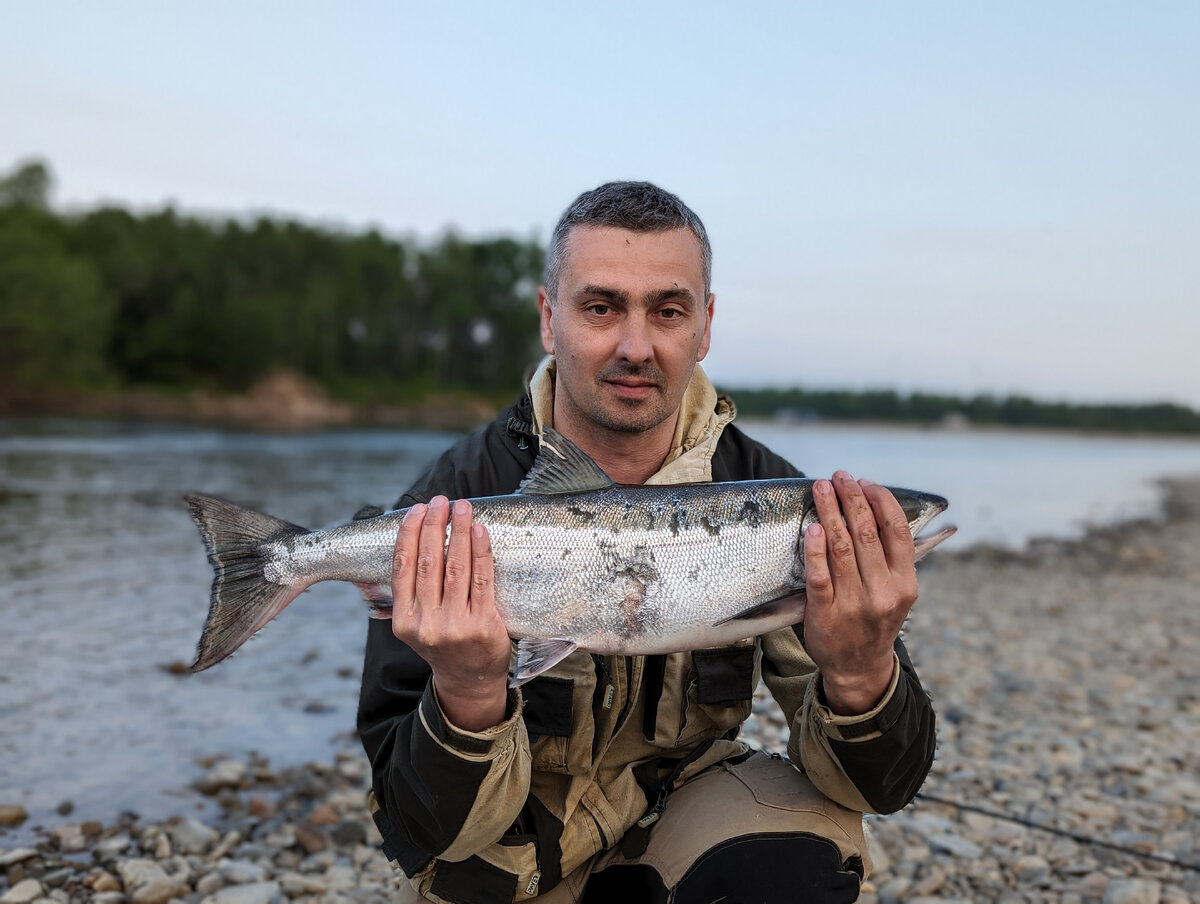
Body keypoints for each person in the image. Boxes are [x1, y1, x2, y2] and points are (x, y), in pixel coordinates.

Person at [357, 181, 936, 903]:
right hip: (506, 858)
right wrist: (469, 690)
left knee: (797, 864)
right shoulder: (448, 506)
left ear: (706, 324)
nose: (636, 347)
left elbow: (880, 789)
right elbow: (419, 828)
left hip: (685, 822)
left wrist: (861, 673)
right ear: (548, 318)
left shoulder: (781, 496)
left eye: (668, 311)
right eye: (601, 307)